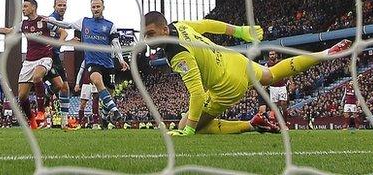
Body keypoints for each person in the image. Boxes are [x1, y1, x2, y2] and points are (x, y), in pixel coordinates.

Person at [142, 11, 352, 136]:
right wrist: (240, 31)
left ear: (164, 30)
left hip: (227, 85)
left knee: (187, 123)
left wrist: (187, 130)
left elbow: (196, 93)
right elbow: (208, 25)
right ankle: (324, 53)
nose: (148, 39)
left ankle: (251, 124)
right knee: (270, 74)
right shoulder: (180, 25)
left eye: (151, 34)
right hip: (234, 60)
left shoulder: (177, 53)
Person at [0, 0, 67, 129]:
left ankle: (41, 111)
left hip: (45, 57)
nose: (23, 9)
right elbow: (8, 30)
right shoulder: (23, 24)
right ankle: (32, 120)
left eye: (25, 6)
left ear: (33, 7)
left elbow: (63, 32)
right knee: (22, 96)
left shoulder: (44, 20)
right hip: (29, 60)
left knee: (37, 77)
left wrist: (60, 41)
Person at [47, 0, 129, 125]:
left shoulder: (110, 25)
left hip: (108, 63)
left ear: (103, 7)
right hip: (92, 62)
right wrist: (52, 21)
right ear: (91, 8)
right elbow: (67, 24)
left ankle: (105, 116)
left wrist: (121, 59)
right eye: (93, 7)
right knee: (97, 80)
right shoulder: (84, 22)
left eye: (98, 7)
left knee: (109, 93)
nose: (95, 9)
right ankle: (116, 111)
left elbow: (116, 43)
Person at [44, 0, 76, 130]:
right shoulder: (51, 20)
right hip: (48, 57)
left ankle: (64, 122)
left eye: (64, 5)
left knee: (64, 87)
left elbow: (56, 44)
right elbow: (53, 43)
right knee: (61, 86)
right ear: (54, 6)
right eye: (59, 5)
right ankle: (45, 105)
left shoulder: (59, 20)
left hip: (56, 56)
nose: (62, 7)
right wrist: (68, 41)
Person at [74, 59, 100, 128]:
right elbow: (80, 72)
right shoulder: (85, 60)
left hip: (94, 82)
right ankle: (80, 122)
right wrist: (77, 84)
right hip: (86, 83)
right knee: (83, 103)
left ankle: (95, 122)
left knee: (95, 100)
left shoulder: (98, 58)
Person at [266, 50, 289, 126]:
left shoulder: (280, 63)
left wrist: (291, 81)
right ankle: (277, 123)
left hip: (282, 86)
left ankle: (285, 122)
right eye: (270, 54)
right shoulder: (267, 64)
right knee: (274, 106)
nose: (271, 56)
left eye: (273, 54)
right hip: (273, 87)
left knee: (284, 104)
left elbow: (287, 71)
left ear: (276, 55)